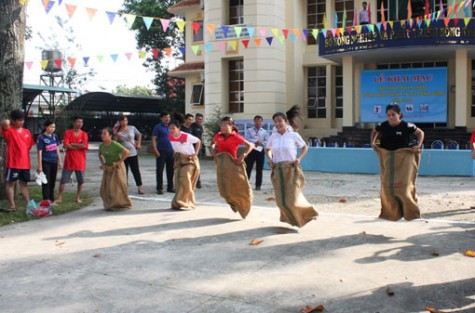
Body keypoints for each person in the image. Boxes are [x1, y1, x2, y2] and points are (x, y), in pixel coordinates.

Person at [370, 103, 425, 221]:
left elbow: (420, 133)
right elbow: (375, 133)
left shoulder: (407, 126)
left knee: (403, 188)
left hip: (403, 158)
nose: (391, 117)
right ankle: (390, 214)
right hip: (387, 157)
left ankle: (411, 214)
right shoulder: (382, 126)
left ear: (399, 114)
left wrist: (418, 145)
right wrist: (374, 143)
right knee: (387, 187)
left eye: (393, 115)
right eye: (388, 115)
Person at [265, 107, 318, 228]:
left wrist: (299, 159)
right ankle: (290, 219)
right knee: (280, 201)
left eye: (280, 120)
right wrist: (270, 159)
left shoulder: (293, 135)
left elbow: (305, 147)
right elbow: (268, 149)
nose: (278, 123)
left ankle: (307, 214)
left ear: (286, 122)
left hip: (291, 169)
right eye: (275, 121)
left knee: (292, 199)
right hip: (278, 170)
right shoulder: (273, 137)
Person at [210, 117, 254, 219]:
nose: (224, 127)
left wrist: (243, 156)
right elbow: (212, 144)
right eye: (222, 125)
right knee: (224, 189)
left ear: (232, 126)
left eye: (226, 125)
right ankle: (232, 202)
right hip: (221, 165)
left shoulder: (236, 137)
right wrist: (213, 152)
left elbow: (250, 146)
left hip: (233, 165)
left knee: (237, 187)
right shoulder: (218, 136)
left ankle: (242, 205)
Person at [1, 110, 35, 212]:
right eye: (19, 120)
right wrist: (10, 122)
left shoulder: (27, 132)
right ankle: (12, 206)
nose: (21, 122)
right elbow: (5, 123)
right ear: (13, 121)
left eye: (22, 120)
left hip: (25, 163)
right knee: (11, 183)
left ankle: (28, 203)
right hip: (13, 163)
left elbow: (29, 146)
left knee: (23, 184)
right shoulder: (9, 131)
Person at [168, 118, 201, 210]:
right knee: (177, 178)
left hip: (189, 160)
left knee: (185, 176)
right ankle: (178, 201)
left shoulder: (185, 136)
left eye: (173, 128)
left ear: (178, 128)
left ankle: (188, 201)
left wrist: (196, 153)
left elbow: (198, 141)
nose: (171, 130)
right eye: (170, 128)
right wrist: (175, 153)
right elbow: (174, 147)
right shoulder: (170, 137)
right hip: (179, 160)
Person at [56, 116, 88, 203]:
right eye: (78, 121)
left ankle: (77, 197)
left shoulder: (84, 134)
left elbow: (84, 146)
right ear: (74, 123)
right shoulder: (68, 132)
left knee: (81, 181)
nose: (80, 123)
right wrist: (78, 145)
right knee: (63, 180)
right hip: (69, 161)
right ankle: (59, 197)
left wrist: (72, 144)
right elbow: (66, 145)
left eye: (81, 122)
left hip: (80, 161)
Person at [98, 127, 132, 211]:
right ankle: (110, 204)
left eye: (104, 134)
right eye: (102, 134)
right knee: (106, 188)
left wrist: (119, 162)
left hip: (117, 168)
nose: (102, 135)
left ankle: (122, 203)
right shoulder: (101, 146)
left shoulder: (115, 144)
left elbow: (127, 152)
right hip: (108, 168)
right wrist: (102, 164)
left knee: (118, 186)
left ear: (110, 136)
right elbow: (100, 154)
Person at [113, 115, 144, 194]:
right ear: (119, 122)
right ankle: (124, 187)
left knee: (135, 170)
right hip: (123, 154)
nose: (124, 122)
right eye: (122, 121)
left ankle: (140, 187)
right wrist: (117, 135)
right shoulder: (117, 130)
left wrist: (139, 143)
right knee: (124, 171)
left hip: (133, 153)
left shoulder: (132, 128)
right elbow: (114, 142)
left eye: (125, 120)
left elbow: (139, 135)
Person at [36, 120, 62, 202]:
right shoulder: (41, 137)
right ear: (46, 127)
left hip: (54, 161)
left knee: (53, 182)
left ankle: (51, 200)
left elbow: (57, 148)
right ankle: (46, 200)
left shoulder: (55, 136)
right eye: (50, 127)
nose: (52, 129)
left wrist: (59, 161)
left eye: (54, 127)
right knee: (46, 181)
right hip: (45, 162)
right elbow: (39, 152)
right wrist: (40, 166)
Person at [152, 112, 174, 194]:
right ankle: (159, 188)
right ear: (161, 118)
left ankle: (170, 187)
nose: (167, 119)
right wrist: (155, 150)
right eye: (165, 117)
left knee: (171, 170)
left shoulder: (171, 127)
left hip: (171, 151)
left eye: (168, 117)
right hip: (161, 151)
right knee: (160, 170)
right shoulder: (158, 127)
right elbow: (154, 139)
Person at [245, 115, 269, 191]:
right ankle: (245, 184)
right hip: (251, 150)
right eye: (256, 121)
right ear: (254, 121)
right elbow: (247, 139)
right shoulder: (249, 130)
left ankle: (258, 185)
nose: (258, 122)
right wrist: (255, 141)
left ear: (262, 122)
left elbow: (267, 141)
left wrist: (261, 143)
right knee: (248, 168)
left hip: (260, 151)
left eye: (259, 121)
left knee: (259, 169)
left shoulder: (264, 132)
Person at [190, 113, 204, 188]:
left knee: (197, 166)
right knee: (191, 166)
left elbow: (200, 138)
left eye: (200, 119)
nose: (199, 120)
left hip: (198, 149)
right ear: (195, 119)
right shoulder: (191, 127)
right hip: (191, 149)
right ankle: (192, 181)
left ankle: (197, 181)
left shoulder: (201, 127)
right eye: (198, 119)